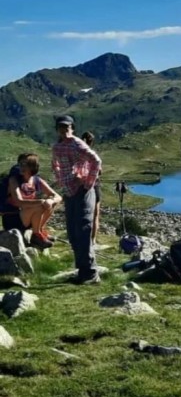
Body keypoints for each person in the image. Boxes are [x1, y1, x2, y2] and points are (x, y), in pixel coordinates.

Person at [52, 115, 102, 285]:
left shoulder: (77, 143)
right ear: (57, 129)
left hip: (82, 190)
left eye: (67, 127)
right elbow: (55, 164)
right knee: (73, 232)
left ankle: (91, 273)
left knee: (83, 229)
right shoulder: (57, 147)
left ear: (72, 128)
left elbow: (96, 160)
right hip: (68, 191)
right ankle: (82, 271)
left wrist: (89, 183)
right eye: (61, 127)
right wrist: (60, 180)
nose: (64, 130)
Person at [8, 154, 62, 249]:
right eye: (20, 164)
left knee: (50, 203)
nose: (20, 167)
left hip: (26, 216)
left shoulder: (36, 180)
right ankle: (36, 236)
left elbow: (58, 196)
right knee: (40, 205)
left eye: (24, 164)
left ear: (32, 167)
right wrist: (41, 201)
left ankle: (39, 230)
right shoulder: (14, 180)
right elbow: (19, 201)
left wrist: (50, 200)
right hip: (13, 217)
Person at [81, 131, 101, 245]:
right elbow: (100, 171)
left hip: (81, 186)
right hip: (94, 184)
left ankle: (82, 237)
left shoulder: (77, 153)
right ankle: (92, 239)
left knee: (81, 212)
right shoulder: (93, 154)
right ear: (92, 142)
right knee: (95, 214)